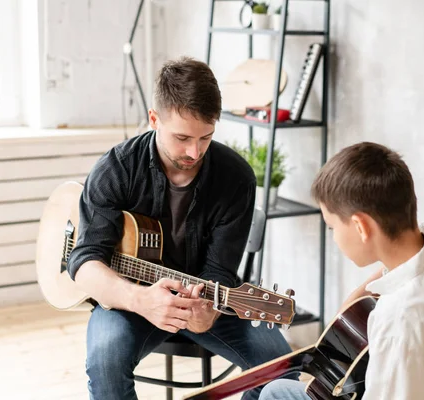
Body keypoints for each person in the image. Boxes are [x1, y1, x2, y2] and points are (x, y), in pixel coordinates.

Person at [66, 56, 293, 400]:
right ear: (154, 119)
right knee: (105, 361)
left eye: (206, 137)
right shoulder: (116, 169)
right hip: (131, 300)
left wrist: (208, 315)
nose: (194, 151)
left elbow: (219, 272)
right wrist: (138, 299)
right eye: (182, 137)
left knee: (280, 367)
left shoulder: (236, 179)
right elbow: (84, 262)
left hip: (206, 301)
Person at [258, 142, 424, 399]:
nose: (334, 238)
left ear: (361, 227)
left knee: (274, 394)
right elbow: (383, 281)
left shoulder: (400, 325)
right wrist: (347, 310)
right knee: (278, 389)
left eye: (332, 227)